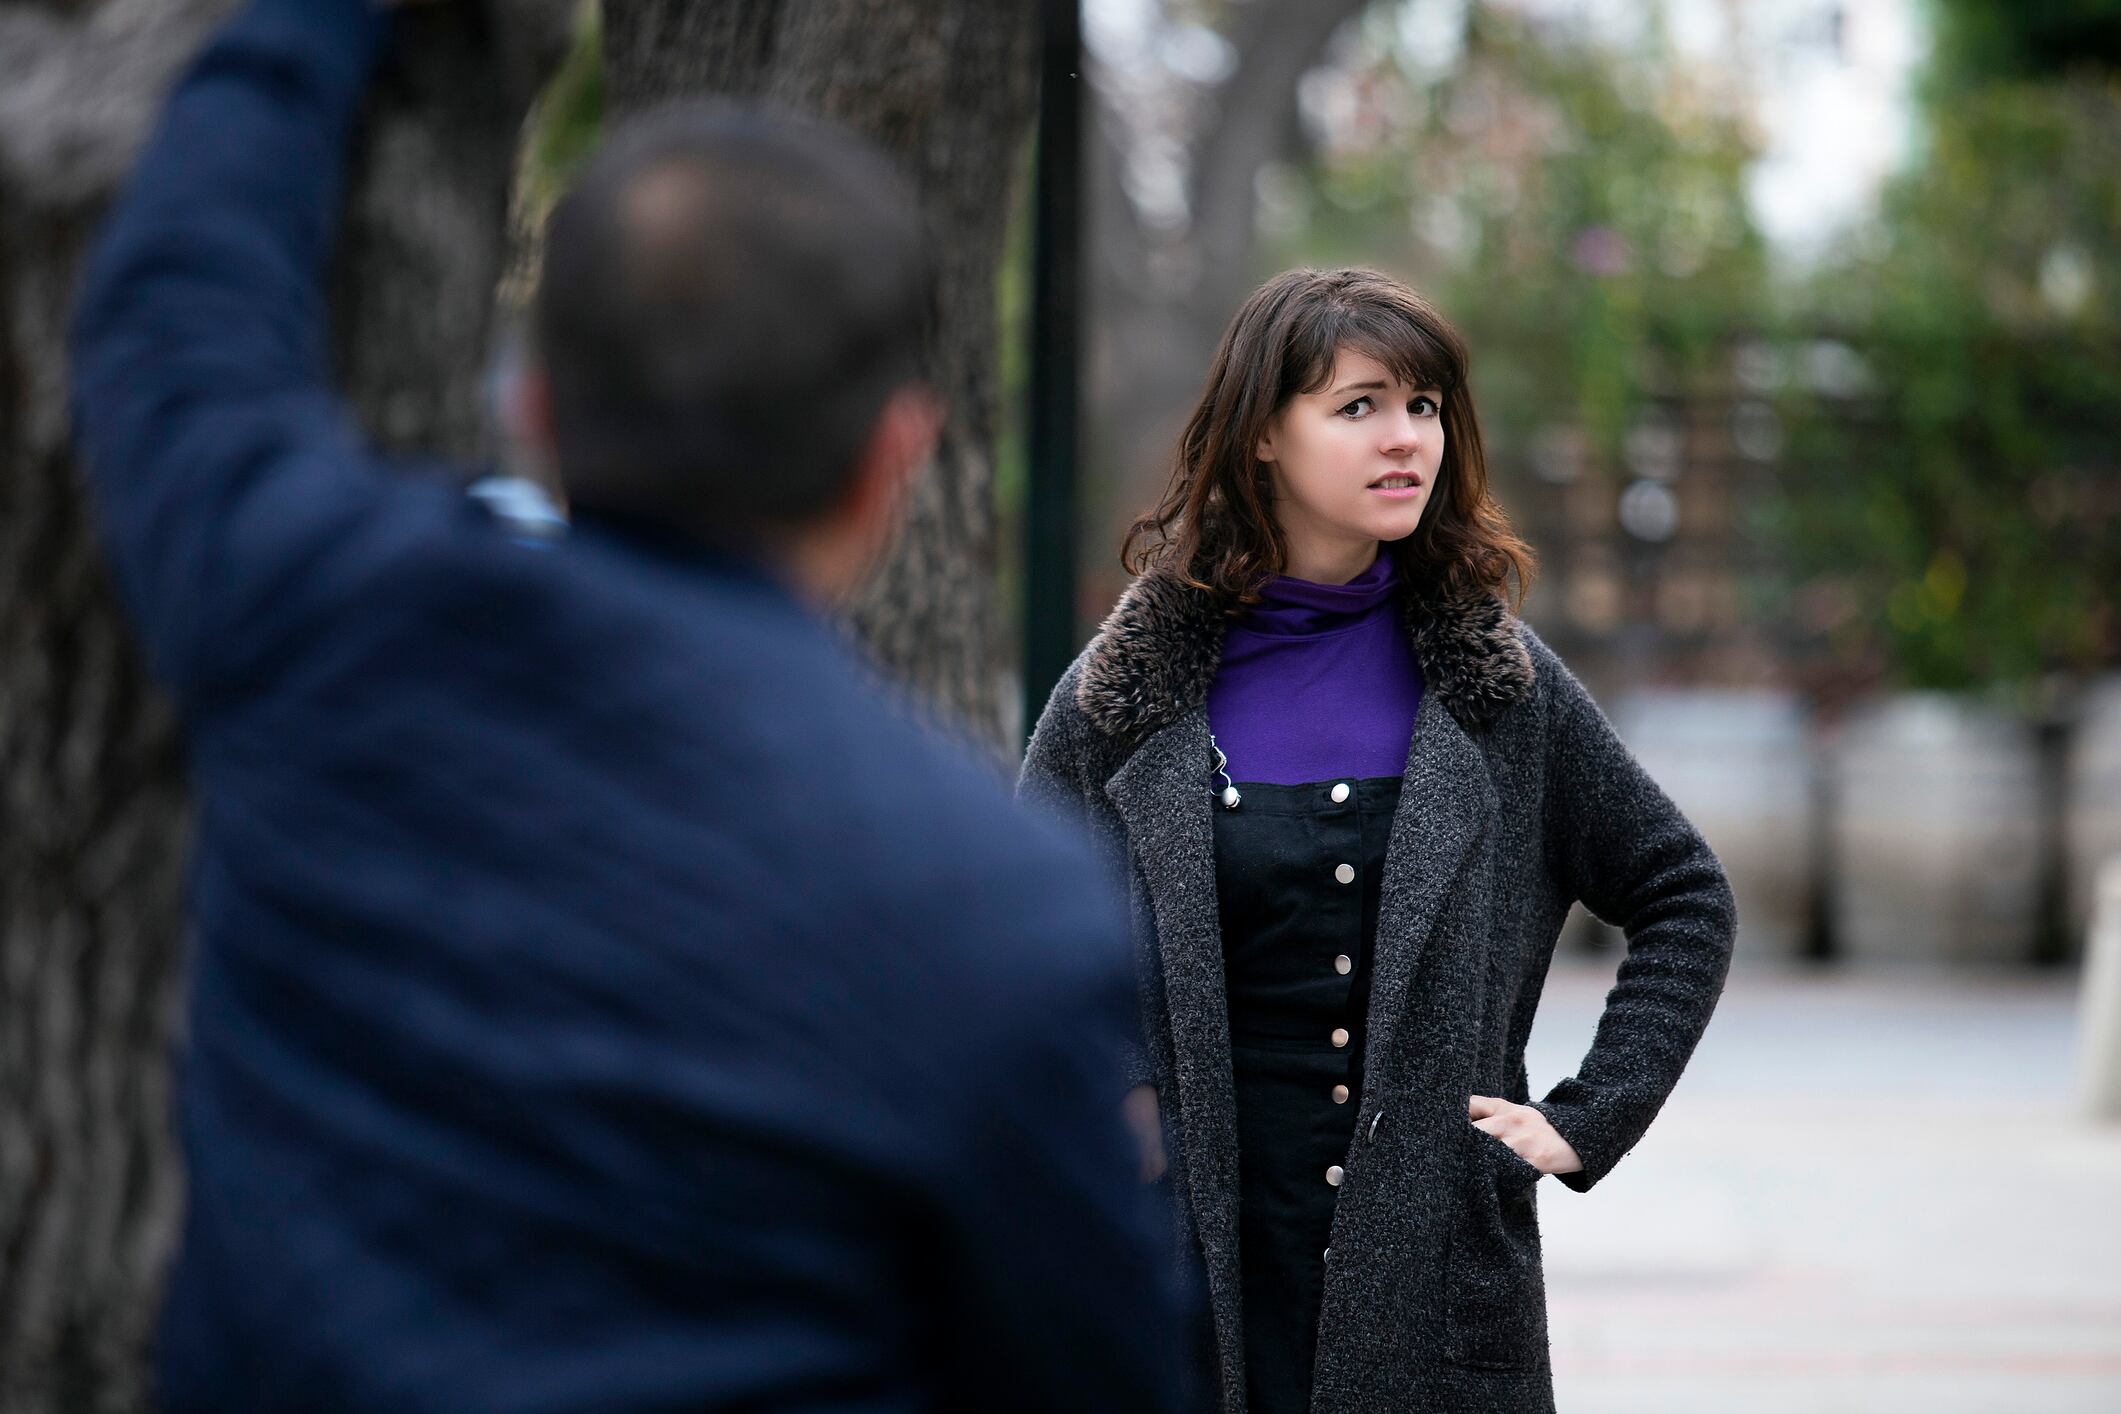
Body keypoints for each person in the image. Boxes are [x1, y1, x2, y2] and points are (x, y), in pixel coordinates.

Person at [69, 0, 1190, 1409]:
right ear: (889, 463)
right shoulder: (1001, 899)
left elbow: (174, 317)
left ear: (535, 403)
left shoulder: (323, 617)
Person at [1018, 266, 1737, 1414]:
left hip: (1439, 1282)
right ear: (1262, 435)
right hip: (1183, 1272)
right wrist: (1119, 1100)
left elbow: (1683, 892)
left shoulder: (1497, 688)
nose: (1404, 439)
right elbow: (1016, 929)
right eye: (1358, 407)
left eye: (1425, 407)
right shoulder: (1129, 696)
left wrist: (1581, 1119)